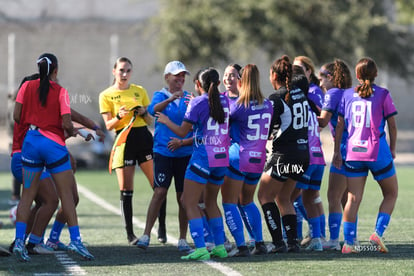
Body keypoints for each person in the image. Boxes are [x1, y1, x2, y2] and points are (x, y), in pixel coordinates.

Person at [12, 53, 94, 261]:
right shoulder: (61, 91)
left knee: (27, 196)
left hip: (30, 143)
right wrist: (76, 130)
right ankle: (76, 241)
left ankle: (20, 242)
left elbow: (16, 116)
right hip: (53, 146)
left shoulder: (26, 87)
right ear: (55, 70)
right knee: (67, 195)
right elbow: (67, 124)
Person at [156, 67, 230, 261]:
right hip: (221, 158)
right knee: (211, 202)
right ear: (219, 83)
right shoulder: (225, 100)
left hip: (203, 157)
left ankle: (200, 247)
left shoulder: (197, 102)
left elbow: (181, 132)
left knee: (188, 201)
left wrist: (164, 121)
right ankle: (220, 246)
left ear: (198, 84)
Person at [333, 57, 398, 254]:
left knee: (353, 199)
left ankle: (349, 244)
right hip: (377, 151)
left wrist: (337, 151)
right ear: (375, 74)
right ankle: (377, 234)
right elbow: (392, 127)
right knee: (391, 193)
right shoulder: (383, 94)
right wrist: (393, 149)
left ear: (358, 75)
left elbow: (339, 126)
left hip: (353, 152)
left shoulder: (347, 95)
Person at [137, 61, 192, 252]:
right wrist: (170, 99)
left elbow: (192, 123)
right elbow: (152, 110)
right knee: (160, 192)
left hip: (184, 153)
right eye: (177, 75)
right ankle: (145, 235)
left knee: (183, 197)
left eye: (183, 75)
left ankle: (183, 238)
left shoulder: (188, 98)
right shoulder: (160, 95)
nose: (181, 79)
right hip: (163, 152)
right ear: (167, 77)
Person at [99, 57, 154, 246]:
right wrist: (119, 116)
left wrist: (143, 113)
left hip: (144, 139)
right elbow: (108, 125)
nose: (124, 74)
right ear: (114, 71)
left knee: (158, 186)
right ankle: (130, 235)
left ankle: (161, 229)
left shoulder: (139, 91)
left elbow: (150, 121)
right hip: (124, 141)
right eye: (121, 70)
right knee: (126, 189)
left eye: (128, 70)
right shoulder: (106, 95)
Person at [258, 55, 310, 253]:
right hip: (303, 155)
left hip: (285, 155)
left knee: (264, 195)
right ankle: (293, 242)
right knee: (284, 198)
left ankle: (278, 242)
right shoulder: (300, 94)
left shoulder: (277, 97)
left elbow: (270, 128)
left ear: (273, 75)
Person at [222, 64, 273, 257]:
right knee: (247, 201)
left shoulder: (238, 106)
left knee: (229, 202)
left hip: (238, 157)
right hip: (258, 159)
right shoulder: (268, 104)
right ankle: (259, 242)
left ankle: (241, 246)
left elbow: (220, 123)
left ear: (242, 81)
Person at [317, 59, 352, 250]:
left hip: (344, 149)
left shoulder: (333, 93)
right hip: (357, 150)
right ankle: (349, 239)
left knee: (333, 197)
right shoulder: (350, 92)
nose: (321, 84)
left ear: (330, 77)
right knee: (347, 199)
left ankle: (333, 241)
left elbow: (324, 122)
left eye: (322, 79)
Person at [291, 65, 326, 251]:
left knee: (287, 198)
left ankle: (289, 239)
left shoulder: (297, 106)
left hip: (307, 158)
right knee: (308, 199)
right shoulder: (312, 105)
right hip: (319, 158)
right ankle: (317, 238)